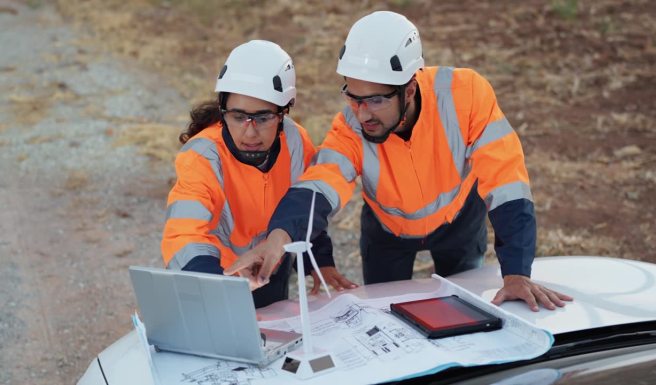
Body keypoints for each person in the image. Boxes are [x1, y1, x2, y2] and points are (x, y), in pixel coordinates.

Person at [227, 12, 572, 311]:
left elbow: (507, 184)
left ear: (408, 89)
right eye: (352, 96)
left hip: (459, 224)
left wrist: (515, 273)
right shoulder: (349, 128)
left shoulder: (465, 95)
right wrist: (278, 237)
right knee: (385, 315)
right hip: (386, 234)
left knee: (463, 311)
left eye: (375, 99)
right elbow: (319, 187)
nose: (362, 113)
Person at [161, 40, 355, 308]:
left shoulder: (296, 140)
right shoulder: (202, 155)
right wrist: (215, 283)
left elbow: (303, 203)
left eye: (263, 118)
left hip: (270, 267)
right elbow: (184, 234)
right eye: (238, 117)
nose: (250, 132)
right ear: (223, 110)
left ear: (283, 112)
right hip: (220, 272)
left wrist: (318, 262)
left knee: (274, 340)